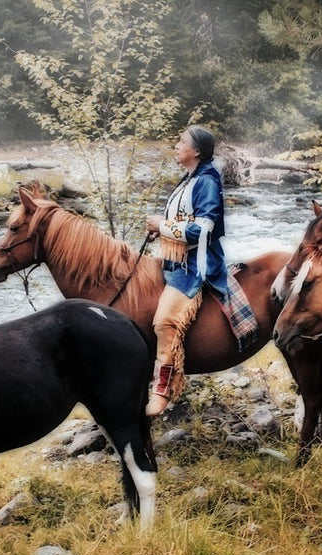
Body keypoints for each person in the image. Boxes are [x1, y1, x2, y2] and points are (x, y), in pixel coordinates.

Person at [144, 125, 230, 416]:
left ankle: (162, 390)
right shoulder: (189, 179)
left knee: (164, 321)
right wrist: (163, 233)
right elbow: (184, 219)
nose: (177, 145)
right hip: (173, 258)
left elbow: (203, 230)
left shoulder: (206, 181)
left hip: (195, 265)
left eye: (182, 142)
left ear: (196, 151)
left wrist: (163, 227)